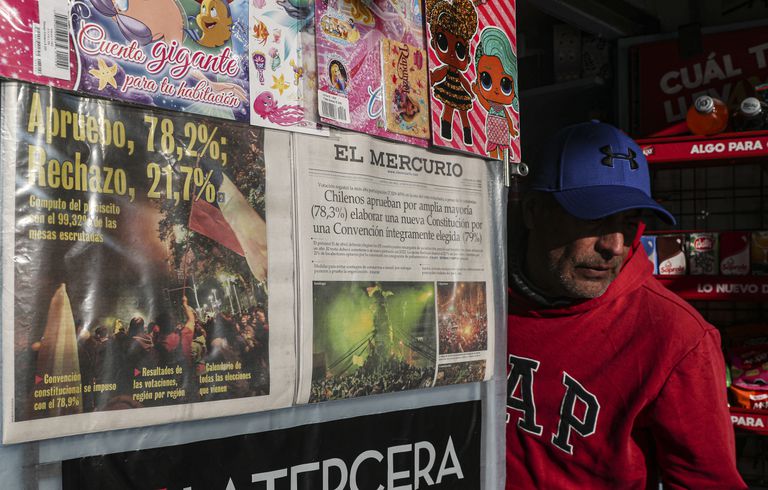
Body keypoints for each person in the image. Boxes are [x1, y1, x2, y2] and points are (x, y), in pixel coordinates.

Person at [506, 121, 745, 489]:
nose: (615, 245)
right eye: (595, 217)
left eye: (630, 221)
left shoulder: (676, 336)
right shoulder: (475, 294)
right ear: (534, 211)